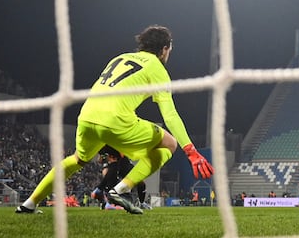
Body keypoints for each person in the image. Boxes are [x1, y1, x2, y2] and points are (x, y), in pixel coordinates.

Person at [16, 25, 213, 215]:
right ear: (164, 49)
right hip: (115, 120)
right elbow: (169, 115)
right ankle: (121, 190)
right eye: (170, 49)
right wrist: (191, 151)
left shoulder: (120, 57)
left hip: (87, 116)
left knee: (76, 159)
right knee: (169, 143)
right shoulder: (157, 68)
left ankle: (29, 203)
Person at [91, 145, 150, 210]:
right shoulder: (107, 147)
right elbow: (100, 159)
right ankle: (107, 201)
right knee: (108, 174)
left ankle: (141, 203)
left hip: (124, 163)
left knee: (141, 182)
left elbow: (100, 159)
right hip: (115, 161)